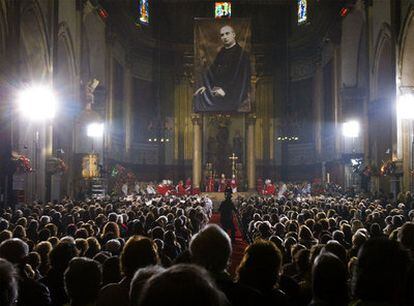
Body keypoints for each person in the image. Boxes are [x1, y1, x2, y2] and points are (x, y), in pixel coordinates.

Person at [194, 25, 251, 112]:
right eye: (222, 35)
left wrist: (226, 92)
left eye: (227, 34)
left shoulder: (242, 55)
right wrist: (206, 86)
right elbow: (212, 71)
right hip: (218, 93)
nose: (224, 37)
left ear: (233, 35)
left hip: (233, 96)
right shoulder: (222, 52)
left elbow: (243, 81)